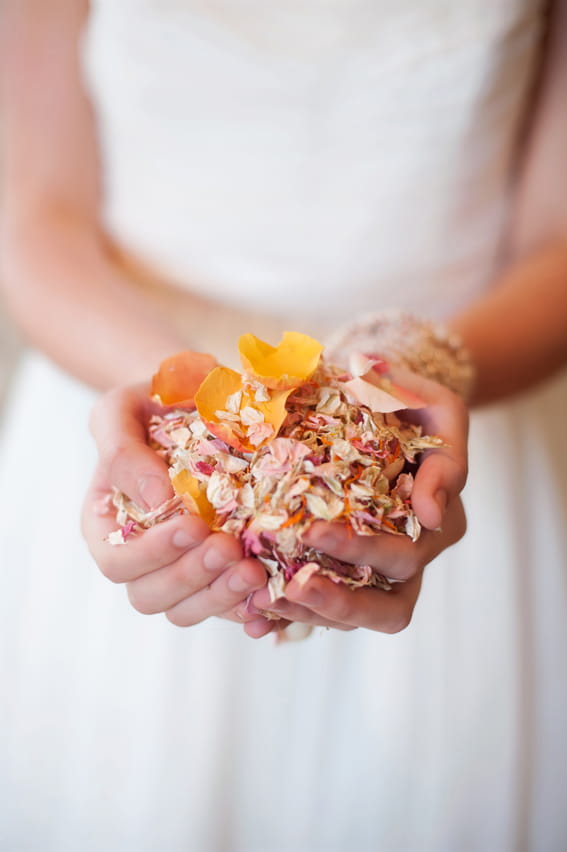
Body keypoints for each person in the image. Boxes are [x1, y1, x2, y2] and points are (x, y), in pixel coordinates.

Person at [0, 1, 566, 850]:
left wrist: (418, 364)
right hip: (130, 395)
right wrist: (187, 415)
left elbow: (556, 237)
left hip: (427, 429)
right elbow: (38, 213)